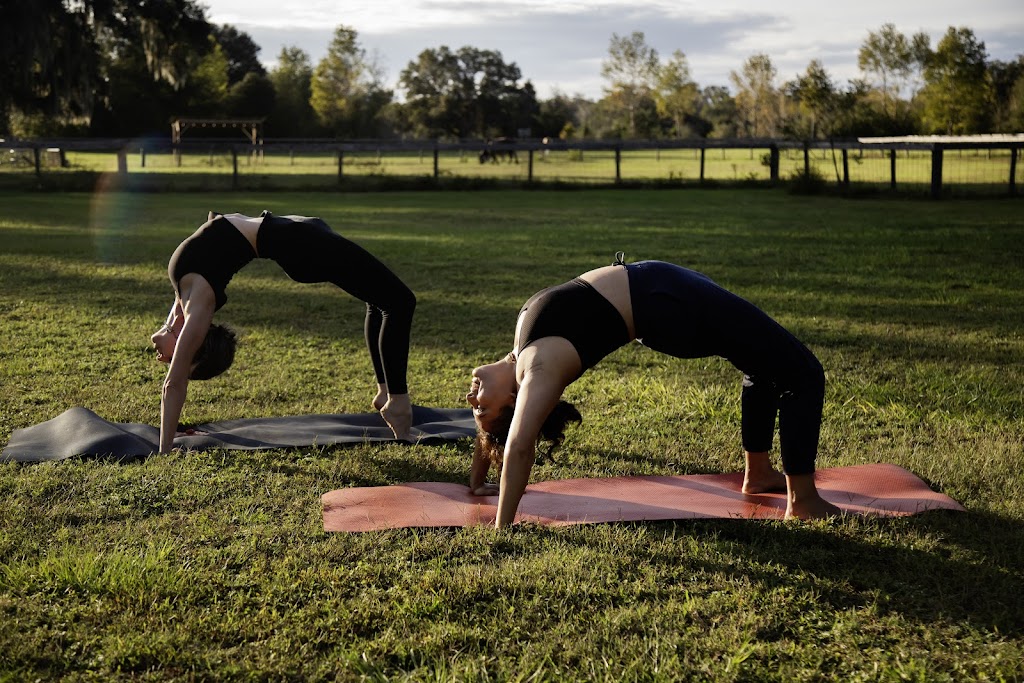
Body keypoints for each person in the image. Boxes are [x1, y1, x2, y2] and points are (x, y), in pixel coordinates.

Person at [466, 253, 842, 527]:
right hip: (671, 304)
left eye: (473, 407)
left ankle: (758, 475)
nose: (471, 399)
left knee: (762, 365)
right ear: (515, 400)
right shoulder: (538, 369)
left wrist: (478, 476)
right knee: (803, 372)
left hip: (666, 295)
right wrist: (503, 528)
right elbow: (517, 444)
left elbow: (496, 432)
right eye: (482, 408)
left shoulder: (520, 353)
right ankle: (803, 500)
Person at [150, 210, 416, 452]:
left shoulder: (183, 298)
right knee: (400, 303)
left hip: (296, 234)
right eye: (175, 360)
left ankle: (385, 393)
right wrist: (164, 449)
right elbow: (174, 384)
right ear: (193, 344)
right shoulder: (199, 304)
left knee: (379, 300)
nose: (164, 360)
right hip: (301, 244)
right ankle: (398, 404)